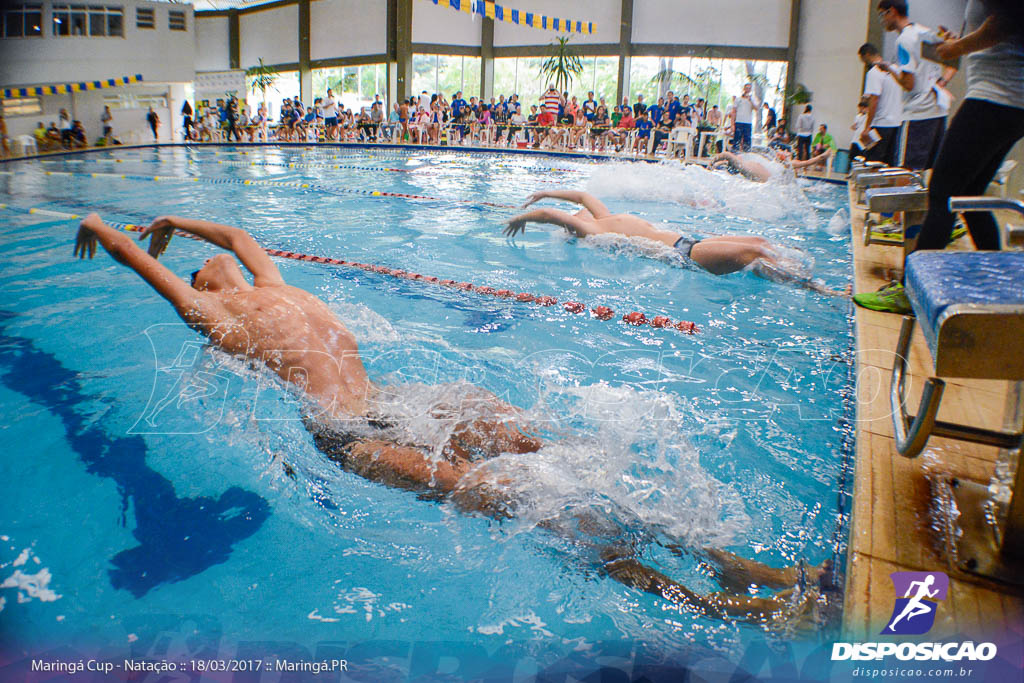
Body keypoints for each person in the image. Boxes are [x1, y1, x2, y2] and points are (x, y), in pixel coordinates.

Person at [71, 212, 836, 627]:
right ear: (205, 286)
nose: (214, 267)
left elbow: (237, 237)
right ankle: (719, 604)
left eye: (213, 263)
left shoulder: (263, 279)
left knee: (526, 438)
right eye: (204, 271)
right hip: (347, 438)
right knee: (524, 498)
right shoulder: (210, 312)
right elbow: (140, 263)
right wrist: (104, 229)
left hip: (392, 402)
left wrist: (175, 218)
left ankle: (726, 557)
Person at [855, 0, 1024, 313]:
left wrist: (955, 48)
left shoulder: (907, 38)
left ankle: (910, 291)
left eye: (882, 14)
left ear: (891, 11)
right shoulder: (919, 33)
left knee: (942, 193)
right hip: (1007, 101)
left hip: (994, 97)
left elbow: (1006, 20)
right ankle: (1002, 288)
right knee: (970, 196)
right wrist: (956, 45)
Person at [504, 190, 845, 295]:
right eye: (576, 214)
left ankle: (801, 270)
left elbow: (580, 194)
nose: (579, 210)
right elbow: (553, 216)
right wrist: (522, 217)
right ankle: (821, 289)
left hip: (690, 241)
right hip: (684, 254)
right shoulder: (593, 233)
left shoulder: (601, 217)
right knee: (753, 253)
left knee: (759, 242)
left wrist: (547, 191)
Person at [876, 0, 958, 170]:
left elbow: (908, 84)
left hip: (917, 114)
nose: (882, 21)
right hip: (937, 111)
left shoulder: (903, 40)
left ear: (891, 12)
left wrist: (890, 69)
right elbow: (953, 62)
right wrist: (942, 82)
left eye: (882, 15)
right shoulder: (924, 33)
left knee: (905, 172)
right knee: (928, 172)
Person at [857, 43, 904, 165]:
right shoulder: (894, 69)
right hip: (896, 124)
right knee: (890, 164)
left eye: (863, 60)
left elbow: (874, 100)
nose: (864, 63)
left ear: (867, 55)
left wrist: (867, 127)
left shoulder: (874, 72)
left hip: (880, 124)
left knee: (874, 163)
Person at [711, 149, 833, 183]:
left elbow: (809, 162)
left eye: (785, 151)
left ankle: (713, 163)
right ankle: (715, 165)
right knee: (733, 163)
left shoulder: (789, 164)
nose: (782, 151)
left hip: (765, 176)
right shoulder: (772, 161)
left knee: (729, 156)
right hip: (760, 173)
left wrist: (825, 155)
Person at [730, 83, 761, 151]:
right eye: (746, 88)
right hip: (738, 122)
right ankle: (735, 154)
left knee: (747, 143)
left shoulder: (753, 99)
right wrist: (732, 124)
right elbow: (733, 111)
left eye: (749, 88)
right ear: (744, 89)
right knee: (736, 142)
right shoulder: (738, 99)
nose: (747, 89)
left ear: (751, 90)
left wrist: (750, 100)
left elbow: (756, 108)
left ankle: (746, 155)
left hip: (748, 123)